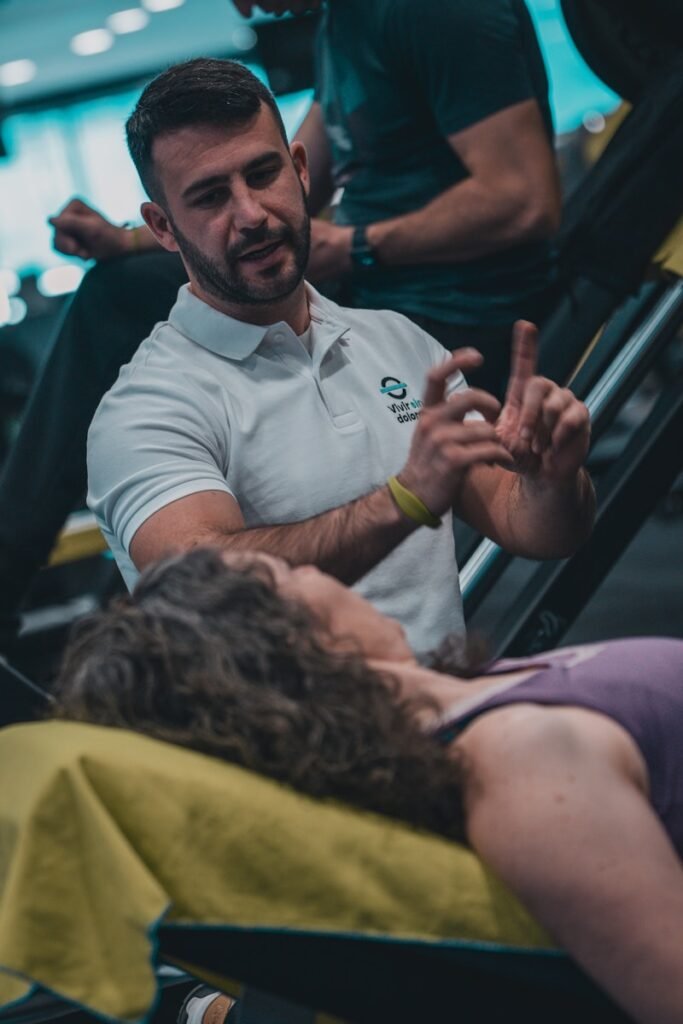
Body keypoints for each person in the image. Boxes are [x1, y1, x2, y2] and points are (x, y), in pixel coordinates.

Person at [0, 0, 561, 634]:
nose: (243, 6)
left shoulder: (431, 12)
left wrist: (356, 245)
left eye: (263, 175)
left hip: (442, 301)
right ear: (164, 224)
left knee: (119, 292)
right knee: (122, 284)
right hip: (361, 288)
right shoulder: (345, 26)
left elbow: (525, 201)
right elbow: (283, 180)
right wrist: (128, 240)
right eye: (207, 197)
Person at [53, 546, 683, 1024]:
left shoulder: (486, 697)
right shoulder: (523, 769)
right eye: (291, 573)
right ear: (297, 641)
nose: (319, 571)